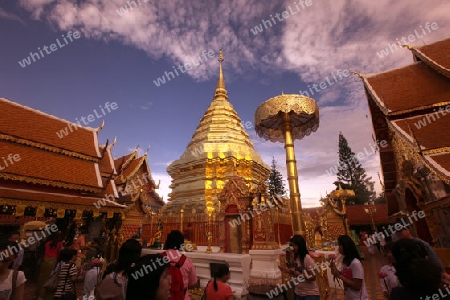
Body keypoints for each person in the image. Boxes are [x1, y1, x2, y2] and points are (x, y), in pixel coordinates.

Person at [279, 235, 320, 300]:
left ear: (300, 246)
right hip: (298, 293)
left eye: (295, 245)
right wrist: (287, 271)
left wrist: (300, 275)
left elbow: (313, 277)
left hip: (309, 294)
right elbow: (295, 273)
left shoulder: (307, 258)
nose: (292, 248)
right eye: (291, 246)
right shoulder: (295, 258)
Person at [331, 235, 368, 300]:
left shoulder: (355, 263)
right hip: (350, 296)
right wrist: (335, 271)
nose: (338, 248)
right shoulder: (345, 261)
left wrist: (339, 276)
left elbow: (357, 286)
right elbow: (345, 276)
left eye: (339, 245)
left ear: (345, 246)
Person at [163, 230, 197, 300]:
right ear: (181, 244)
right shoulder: (187, 261)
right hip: (182, 297)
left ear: (167, 242)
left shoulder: (158, 258)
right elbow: (193, 283)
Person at [36, 232, 63, 300]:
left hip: (45, 260)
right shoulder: (59, 243)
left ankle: (38, 294)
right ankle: (43, 295)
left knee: (41, 277)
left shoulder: (47, 243)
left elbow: (45, 252)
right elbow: (59, 253)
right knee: (48, 278)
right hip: (53, 261)